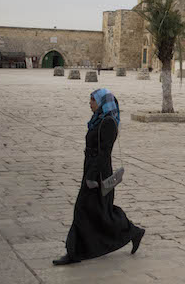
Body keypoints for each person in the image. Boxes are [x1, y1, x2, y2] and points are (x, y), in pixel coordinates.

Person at [53, 89, 144, 265]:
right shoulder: (98, 120)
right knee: (102, 213)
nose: (90, 103)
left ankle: (73, 253)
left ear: (102, 102)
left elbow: (104, 154)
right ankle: (133, 232)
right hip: (92, 170)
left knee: (82, 209)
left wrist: (92, 178)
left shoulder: (108, 123)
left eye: (93, 100)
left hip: (98, 175)